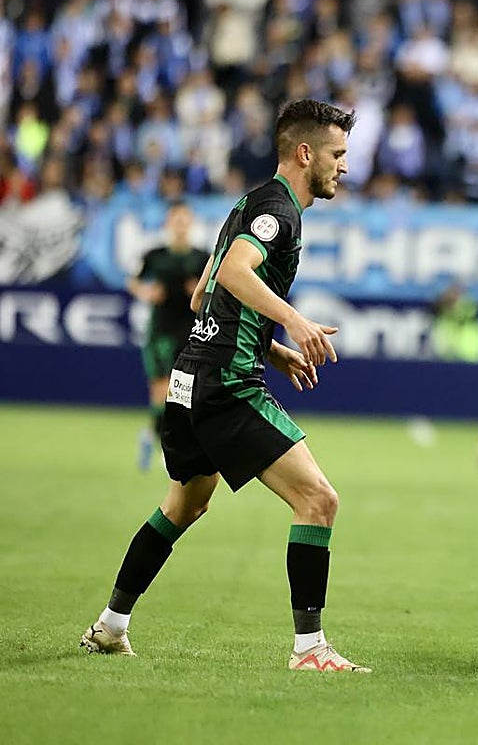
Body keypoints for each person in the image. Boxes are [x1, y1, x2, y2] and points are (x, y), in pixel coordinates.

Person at [81, 99, 371, 673]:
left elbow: (202, 297)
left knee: (185, 505)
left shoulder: (247, 205)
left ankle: (111, 626)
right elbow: (236, 275)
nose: (344, 166)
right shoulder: (278, 212)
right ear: (304, 152)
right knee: (318, 501)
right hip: (225, 384)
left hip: (192, 376)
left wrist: (272, 347)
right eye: (337, 155)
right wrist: (293, 319)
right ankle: (309, 649)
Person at [127, 201, 209, 471]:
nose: (181, 226)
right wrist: (146, 292)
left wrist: (198, 290)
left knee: (183, 392)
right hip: (160, 330)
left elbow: (214, 286)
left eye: (185, 220)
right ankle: (165, 444)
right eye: (176, 220)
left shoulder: (201, 257)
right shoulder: (155, 255)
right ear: (168, 224)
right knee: (162, 389)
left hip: (191, 331)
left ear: (191, 224)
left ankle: (153, 437)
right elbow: (134, 280)